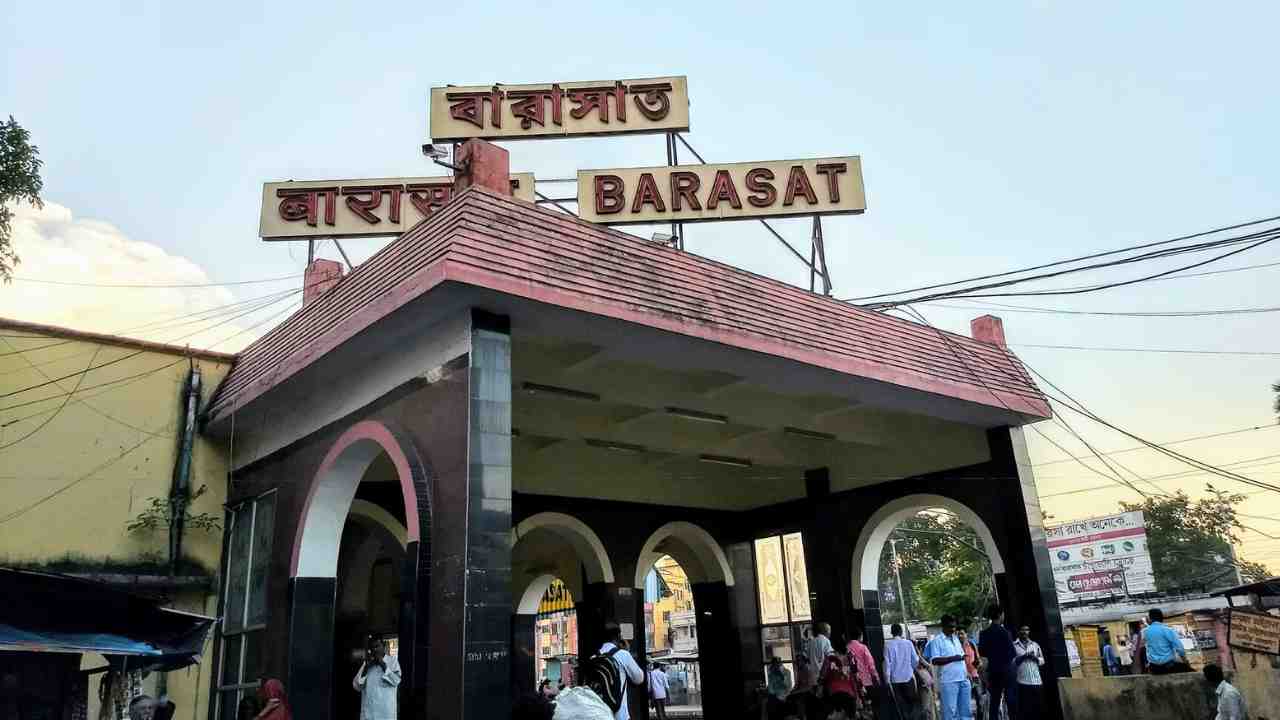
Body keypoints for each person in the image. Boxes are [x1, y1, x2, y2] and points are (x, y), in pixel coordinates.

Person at [923, 615, 972, 720]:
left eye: (954, 626)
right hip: (949, 681)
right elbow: (935, 660)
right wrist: (953, 658)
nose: (953, 629)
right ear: (943, 626)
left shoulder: (955, 638)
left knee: (966, 713)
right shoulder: (937, 640)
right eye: (950, 626)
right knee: (950, 713)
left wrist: (967, 673)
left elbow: (961, 657)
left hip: (963, 679)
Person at [598, 622, 645, 720]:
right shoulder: (623, 655)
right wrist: (627, 652)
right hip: (620, 715)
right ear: (619, 636)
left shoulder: (594, 657)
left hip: (599, 714)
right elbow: (639, 678)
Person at [977, 605, 1016, 720]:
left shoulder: (984, 633)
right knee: (1011, 700)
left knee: (994, 701)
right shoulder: (1005, 632)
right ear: (1000, 615)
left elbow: (982, 652)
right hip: (1007, 671)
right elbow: (1012, 653)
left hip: (993, 671)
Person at [354, 640, 402, 720]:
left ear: (383, 647)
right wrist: (366, 668)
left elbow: (396, 680)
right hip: (369, 715)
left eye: (377, 646)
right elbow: (356, 686)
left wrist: (382, 664)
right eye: (372, 647)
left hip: (385, 714)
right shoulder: (366, 664)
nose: (375, 650)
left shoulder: (392, 661)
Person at [883, 623, 922, 720]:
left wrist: (887, 681)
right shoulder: (908, 643)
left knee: (901, 706)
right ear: (901, 632)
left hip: (895, 681)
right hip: (908, 678)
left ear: (891, 633)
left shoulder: (887, 645)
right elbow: (916, 660)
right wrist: (911, 669)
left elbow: (887, 665)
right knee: (912, 704)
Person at [1012, 626, 1044, 720]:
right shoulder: (1014, 646)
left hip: (1037, 681)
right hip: (1023, 682)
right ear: (1019, 631)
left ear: (1029, 632)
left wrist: (1034, 658)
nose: (1025, 632)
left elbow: (1042, 661)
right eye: (1022, 629)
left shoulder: (1035, 645)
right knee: (1025, 709)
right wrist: (1024, 656)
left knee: (1038, 708)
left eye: (1027, 630)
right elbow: (1013, 663)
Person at [1143, 609, 1188, 674]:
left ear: (1151, 619)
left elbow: (1148, 647)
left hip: (1154, 667)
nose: (1146, 619)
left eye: (1147, 617)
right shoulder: (1168, 630)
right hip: (1168, 666)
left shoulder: (1145, 631)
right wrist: (1185, 660)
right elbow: (1179, 648)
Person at [846, 626, 880, 704]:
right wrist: (876, 677)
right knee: (870, 704)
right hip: (866, 681)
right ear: (860, 636)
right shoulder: (863, 647)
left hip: (853, 682)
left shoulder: (847, 648)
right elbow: (870, 664)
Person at [957, 629, 982, 713]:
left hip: (975, 676)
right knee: (965, 702)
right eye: (958, 634)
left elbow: (978, 658)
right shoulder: (956, 647)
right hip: (963, 678)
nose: (960, 636)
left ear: (966, 634)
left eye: (962, 633)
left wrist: (978, 663)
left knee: (979, 700)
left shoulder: (971, 644)